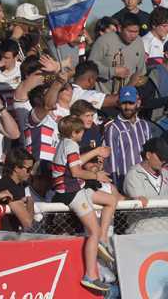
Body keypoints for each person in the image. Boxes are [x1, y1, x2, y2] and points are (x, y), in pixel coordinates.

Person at [51, 115, 116, 292]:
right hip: (71, 192)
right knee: (93, 231)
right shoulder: (71, 145)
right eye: (81, 132)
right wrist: (97, 176)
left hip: (76, 188)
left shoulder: (65, 143)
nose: (83, 134)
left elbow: (77, 161)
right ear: (74, 133)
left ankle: (102, 241)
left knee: (110, 200)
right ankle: (90, 275)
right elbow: (76, 171)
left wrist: (96, 152)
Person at [123, 137, 168, 234]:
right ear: (148, 155)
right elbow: (143, 207)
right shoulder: (133, 175)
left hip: (166, 233)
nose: (164, 160)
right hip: (141, 235)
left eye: (166, 157)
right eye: (160, 157)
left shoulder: (165, 174)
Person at [103, 87, 151, 185]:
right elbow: (111, 161)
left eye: (131, 103)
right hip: (125, 182)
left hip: (146, 181)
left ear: (138, 103)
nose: (127, 107)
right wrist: (115, 186)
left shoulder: (144, 125)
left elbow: (150, 155)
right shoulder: (113, 127)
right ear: (119, 103)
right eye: (124, 103)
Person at [88, 15, 146, 92]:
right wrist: (113, 71)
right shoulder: (103, 41)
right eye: (130, 31)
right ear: (119, 28)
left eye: (136, 32)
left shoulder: (139, 41)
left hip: (128, 96)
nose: (133, 35)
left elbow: (141, 71)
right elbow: (90, 67)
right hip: (104, 95)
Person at [0, 149, 36, 231]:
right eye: (29, 169)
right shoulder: (11, 188)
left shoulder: (5, 184)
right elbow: (28, 223)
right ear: (16, 168)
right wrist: (30, 201)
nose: (31, 172)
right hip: (2, 239)